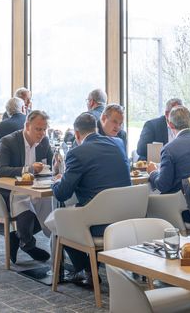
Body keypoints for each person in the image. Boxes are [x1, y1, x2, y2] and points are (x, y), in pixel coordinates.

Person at [51, 112, 130, 285]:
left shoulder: (77, 153)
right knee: (74, 212)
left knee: (59, 219)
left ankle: (86, 269)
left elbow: (62, 193)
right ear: (96, 129)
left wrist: (56, 180)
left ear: (76, 134)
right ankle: (90, 269)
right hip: (126, 215)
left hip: (99, 223)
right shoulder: (118, 143)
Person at [0, 110, 53, 263]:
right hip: (11, 189)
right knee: (25, 205)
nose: (41, 133)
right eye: (38, 129)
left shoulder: (44, 142)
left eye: (44, 129)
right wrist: (28, 169)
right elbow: (1, 170)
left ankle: (17, 237)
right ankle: (27, 244)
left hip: (36, 188)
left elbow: (51, 166)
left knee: (51, 206)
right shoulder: (8, 141)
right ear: (27, 126)